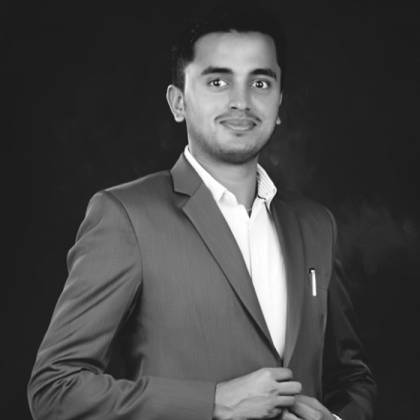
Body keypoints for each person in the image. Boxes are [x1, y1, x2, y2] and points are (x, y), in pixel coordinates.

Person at [27, 6, 377, 420]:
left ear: (279, 102)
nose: (241, 101)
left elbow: (351, 378)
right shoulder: (126, 216)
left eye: (260, 82)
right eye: (217, 81)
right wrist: (213, 402)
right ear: (178, 102)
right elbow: (55, 387)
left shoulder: (317, 225)